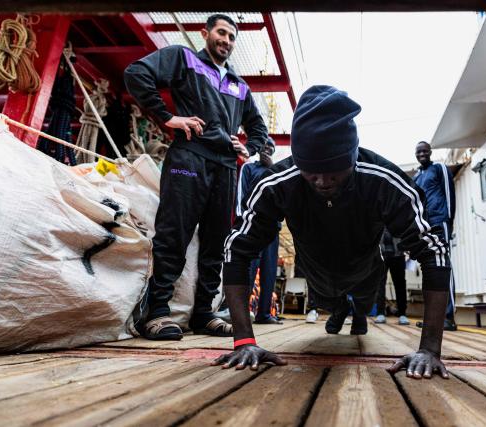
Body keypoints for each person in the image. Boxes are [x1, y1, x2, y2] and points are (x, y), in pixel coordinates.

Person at [213, 85, 452, 380]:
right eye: (311, 171)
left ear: (351, 157)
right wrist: (244, 341)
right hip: (318, 271)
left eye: (334, 170)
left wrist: (430, 349)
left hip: (365, 269)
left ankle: (358, 312)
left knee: (363, 305)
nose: (323, 181)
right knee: (328, 303)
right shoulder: (277, 184)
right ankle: (339, 310)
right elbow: (236, 249)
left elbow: (433, 251)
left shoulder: (385, 180)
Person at [124, 14, 268, 340]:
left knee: (216, 242)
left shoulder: (239, 85)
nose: (227, 41)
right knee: (175, 232)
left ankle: (204, 313)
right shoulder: (183, 58)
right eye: (221, 33)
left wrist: (249, 146)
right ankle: (157, 313)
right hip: (189, 157)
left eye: (232, 37)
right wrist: (167, 118)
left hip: (226, 168)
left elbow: (258, 127)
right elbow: (137, 73)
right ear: (205, 33)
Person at [237, 137, 282, 325]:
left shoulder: (277, 172)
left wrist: (273, 170)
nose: (266, 150)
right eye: (264, 147)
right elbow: (240, 195)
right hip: (253, 227)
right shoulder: (249, 168)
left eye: (270, 147)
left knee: (269, 272)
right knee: (249, 269)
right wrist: (242, 222)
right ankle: (241, 313)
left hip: (272, 229)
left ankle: (264, 314)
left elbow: (282, 199)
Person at [413, 141, 457, 329]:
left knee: (444, 266)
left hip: (440, 221)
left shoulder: (439, 168)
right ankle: (434, 318)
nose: (422, 154)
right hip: (426, 226)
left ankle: (448, 317)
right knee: (430, 269)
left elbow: (449, 193)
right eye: (418, 152)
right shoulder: (416, 176)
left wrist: (449, 220)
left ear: (430, 152)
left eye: (424, 150)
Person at [374, 229, 410, 326]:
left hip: (398, 253)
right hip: (381, 254)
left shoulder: (398, 214)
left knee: (400, 284)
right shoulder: (378, 214)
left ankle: (402, 313)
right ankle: (380, 313)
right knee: (380, 284)